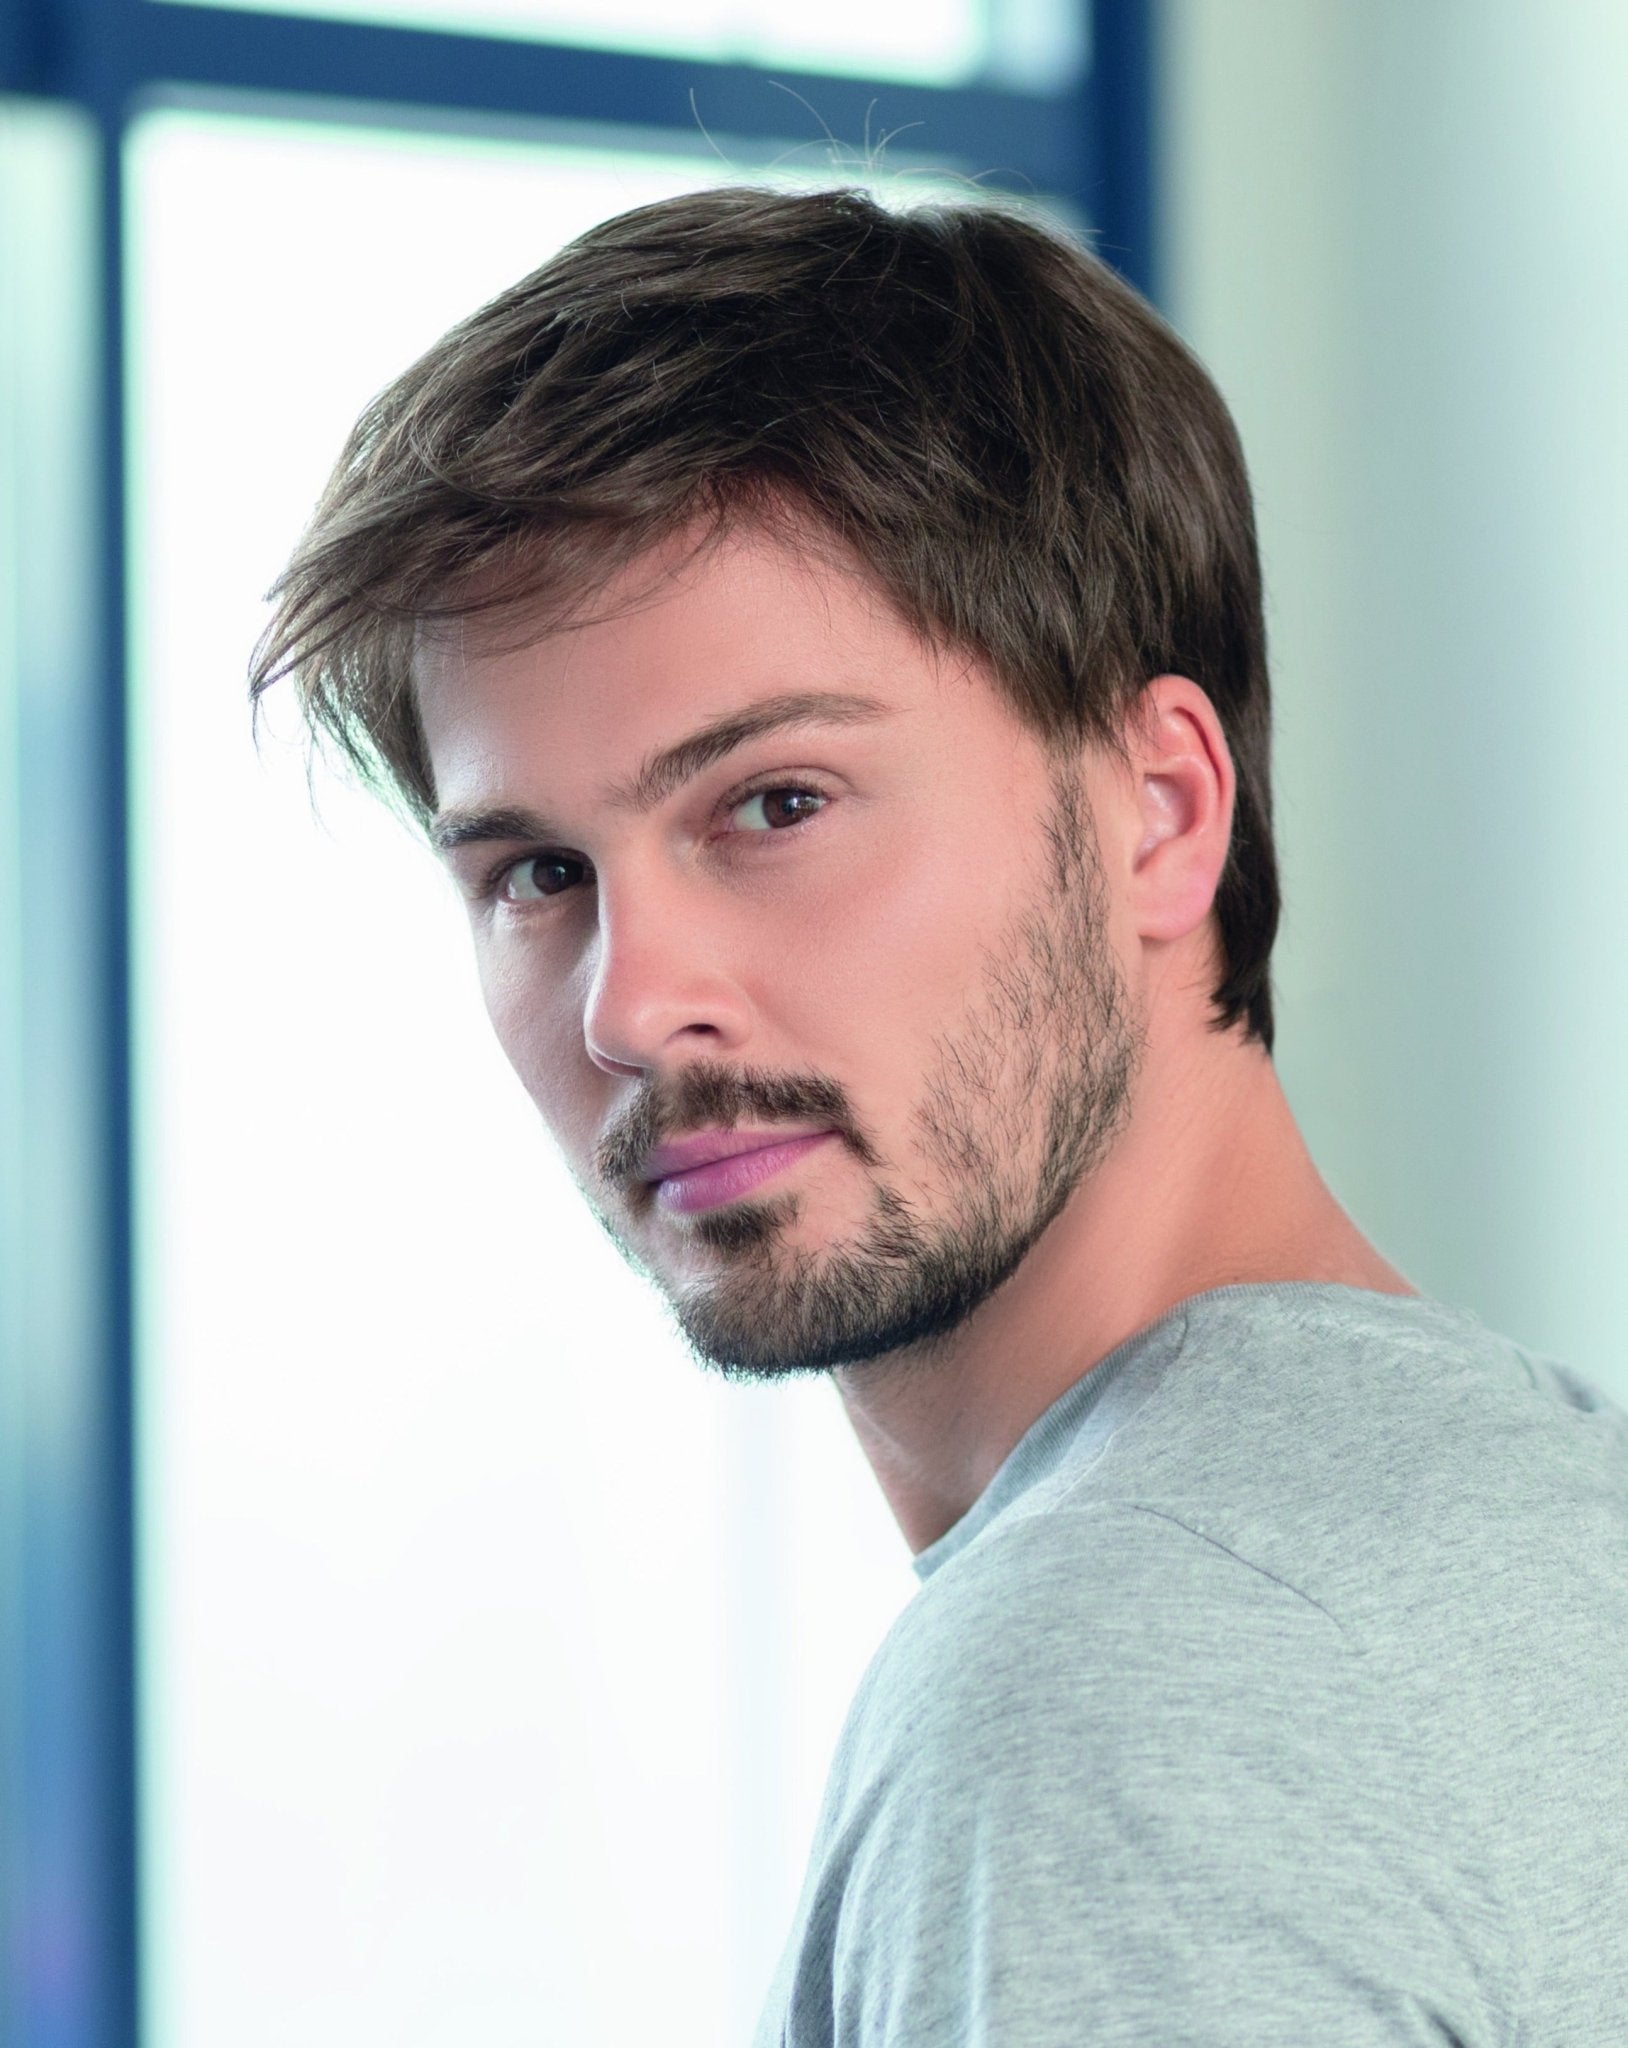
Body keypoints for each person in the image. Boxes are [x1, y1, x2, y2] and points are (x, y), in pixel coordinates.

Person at [250, 185, 1628, 2044]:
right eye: (536, 875)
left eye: (776, 804)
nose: (632, 1005)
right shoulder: (1532, 1512)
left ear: (1159, 808)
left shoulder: (1133, 1682)